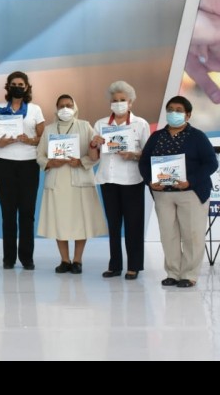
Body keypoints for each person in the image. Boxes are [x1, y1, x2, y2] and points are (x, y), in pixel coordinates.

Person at [139, 96, 219, 289]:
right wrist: (150, 181)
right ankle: (173, 273)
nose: (173, 113)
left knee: (192, 234)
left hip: (191, 192)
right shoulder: (157, 136)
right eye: (170, 110)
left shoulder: (197, 136)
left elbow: (211, 163)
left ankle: (189, 274)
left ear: (188, 115)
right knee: (168, 235)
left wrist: (190, 181)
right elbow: (144, 162)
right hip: (163, 194)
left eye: (178, 110)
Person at [37, 95, 107, 275]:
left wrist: (81, 161)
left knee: (80, 221)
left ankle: (77, 260)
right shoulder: (49, 129)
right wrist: (50, 162)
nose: (65, 109)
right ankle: (64, 260)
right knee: (59, 221)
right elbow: (39, 155)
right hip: (57, 181)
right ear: (56, 108)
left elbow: (95, 154)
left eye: (68, 105)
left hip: (79, 180)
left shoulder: (85, 126)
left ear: (74, 107)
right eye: (61, 106)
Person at [91, 82, 151, 281]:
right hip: (108, 179)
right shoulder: (101, 124)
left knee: (134, 224)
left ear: (130, 102)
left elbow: (148, 153)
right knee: (114, 225)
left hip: (132, 180)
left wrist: (133, 155)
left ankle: (134, 266)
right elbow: (93, 156)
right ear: (110, 103)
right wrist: (94, 144)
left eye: (122, 100)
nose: (118, 103)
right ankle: (115, 265)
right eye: (115, 100)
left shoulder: (140, 124)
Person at [0, 72, 45, 271]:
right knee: (8, 212)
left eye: (21, 84)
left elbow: (43, 137)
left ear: (27, 87)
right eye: (14, 84)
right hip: (3, 163)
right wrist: (0, 142)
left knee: (27, 212)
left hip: (28, 163)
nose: (17, 87)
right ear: (8, 86)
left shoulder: (35, 110)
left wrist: (29, 140)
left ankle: (27, 257)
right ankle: (9, 258)